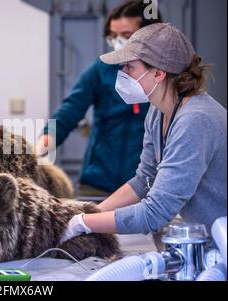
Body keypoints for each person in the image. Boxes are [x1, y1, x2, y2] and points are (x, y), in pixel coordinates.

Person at [60, 23, 227, 245]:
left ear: (158, 73)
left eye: (129, 66)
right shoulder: (158, 112)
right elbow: (144, 180)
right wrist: (91, 212)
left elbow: (155, 212)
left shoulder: (195, 120)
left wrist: (83, 223)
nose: (122, 73)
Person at [36, 1, 162, 198]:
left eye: (127, 36)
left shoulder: (164, 75)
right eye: (113, 36)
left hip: (148, 184)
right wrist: (41, 146)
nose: (119, 42)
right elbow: (68, 112)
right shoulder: (101, 69)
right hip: (98, 183)